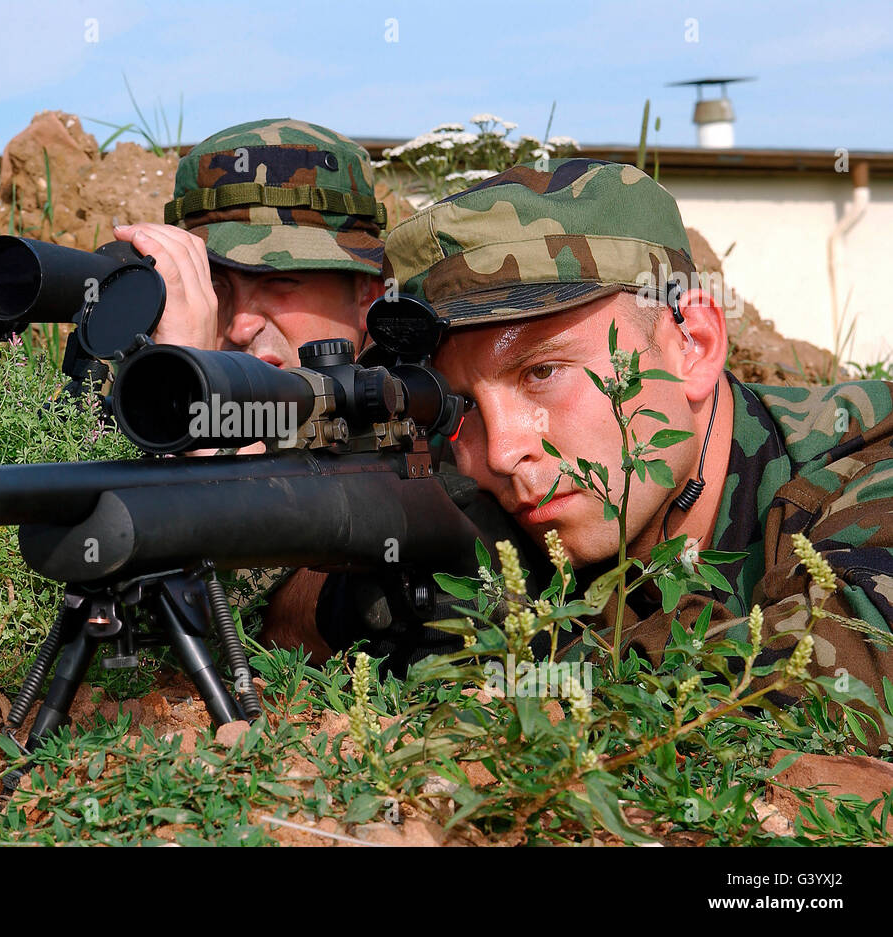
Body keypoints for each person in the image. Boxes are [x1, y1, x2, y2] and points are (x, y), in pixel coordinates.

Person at [273, 158, 893, 706]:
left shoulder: (864, 462)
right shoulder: (469, 455)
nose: (503, 448)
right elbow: (276, 599)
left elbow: (822, 687)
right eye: (458, 400)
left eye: (542, 371)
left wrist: (515, 658)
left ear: (694, 346)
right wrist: (350, 602)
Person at [112, 118, 385, 368]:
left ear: (367, 298)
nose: (240, 328)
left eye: (281, 281)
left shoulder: (420, 411)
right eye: (212, 285)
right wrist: (174, 379)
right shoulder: (128, 408)